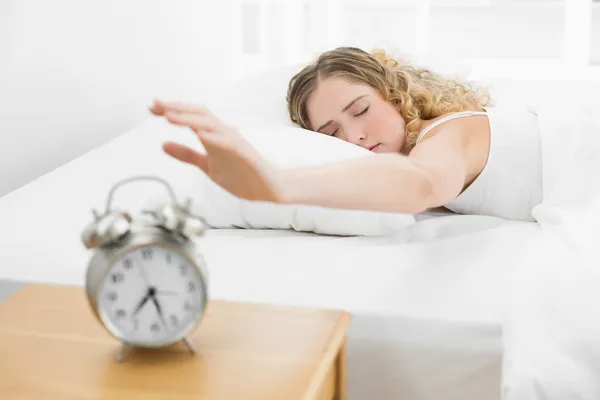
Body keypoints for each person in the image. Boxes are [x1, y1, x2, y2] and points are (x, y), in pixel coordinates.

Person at [149, 46, 542, 221]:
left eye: (361, 110)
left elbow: (424, 183)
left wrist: (279, 183)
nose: (355, 137)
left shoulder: (451, 133)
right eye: (331, 131)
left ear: (394, 95)